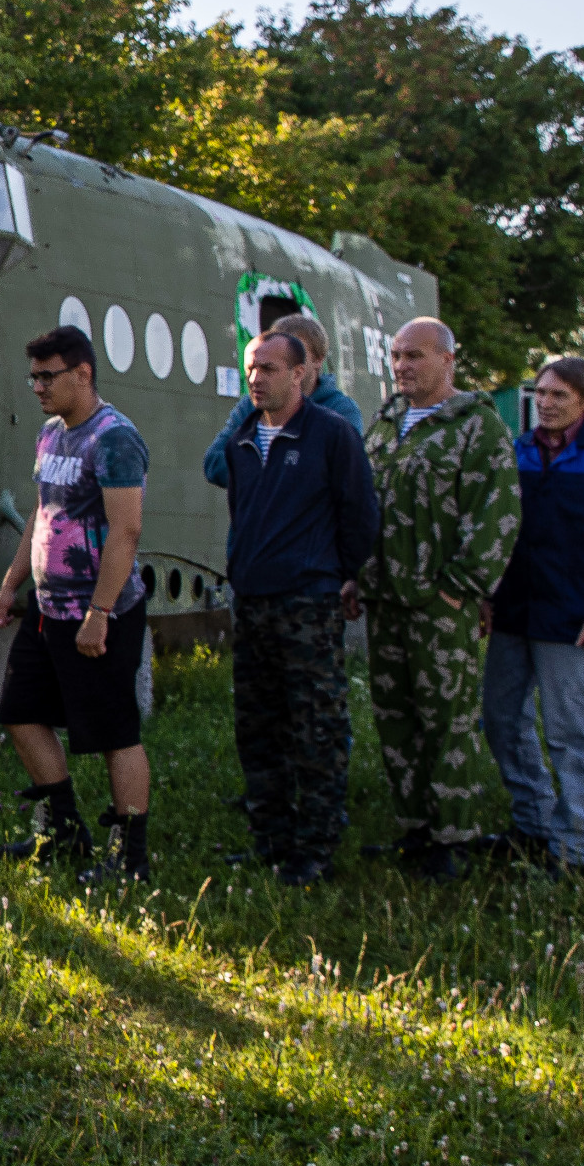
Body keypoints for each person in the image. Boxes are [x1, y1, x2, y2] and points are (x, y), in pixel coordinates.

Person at [211, 332, 380, 886]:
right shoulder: (241, 438)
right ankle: (271, 840)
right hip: (253, 603)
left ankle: (316, 848)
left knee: (316, 728)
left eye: (270, 368)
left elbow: (359, 514)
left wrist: (342, 575)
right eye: (251, 368)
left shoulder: (331, 435)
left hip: (308, 603)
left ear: (301, 374)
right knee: (258, 727)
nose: (257, 378)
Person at [0, 325, 153, 881]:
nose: (37, 386)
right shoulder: (51, 434)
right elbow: (42, 513)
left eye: (47, 375)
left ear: (83, 373)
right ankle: (64, 832)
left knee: (113, 732)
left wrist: (99, 613)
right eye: (32, 376)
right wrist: (12, 584)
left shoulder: (114, 437)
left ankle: (130, 857)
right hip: (47, 608)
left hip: (99, 613)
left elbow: (125, 532)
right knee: (20, 713)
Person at [356, 318, 521, 881]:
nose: (403, 366)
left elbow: (496, 517)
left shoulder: (478, 427)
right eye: (398, 356)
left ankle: (454, 836)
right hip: (383, 598)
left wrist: (460, 591)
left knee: (446, 721)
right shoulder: (385, 421)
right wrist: (356, 573)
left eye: (416, 357)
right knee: (395, 717)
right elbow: (362, 502)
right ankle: (415, 828)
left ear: (448, 360)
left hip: (438, 603)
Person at [482, 356, 584, 874]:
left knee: (570, 732)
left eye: (560, 395)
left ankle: (575, 847)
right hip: (514, 611)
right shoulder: (518, 453)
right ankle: (532, 822)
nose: (547, 404)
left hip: (573, 617)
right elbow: (499, 529)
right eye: (542, 394)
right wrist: (487, 593)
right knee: (501, 718)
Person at [201, 311, 364, 484]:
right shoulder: (253, 405)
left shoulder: (341, 410)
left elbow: (339, 470)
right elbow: (214, 462)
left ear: (318, 360)